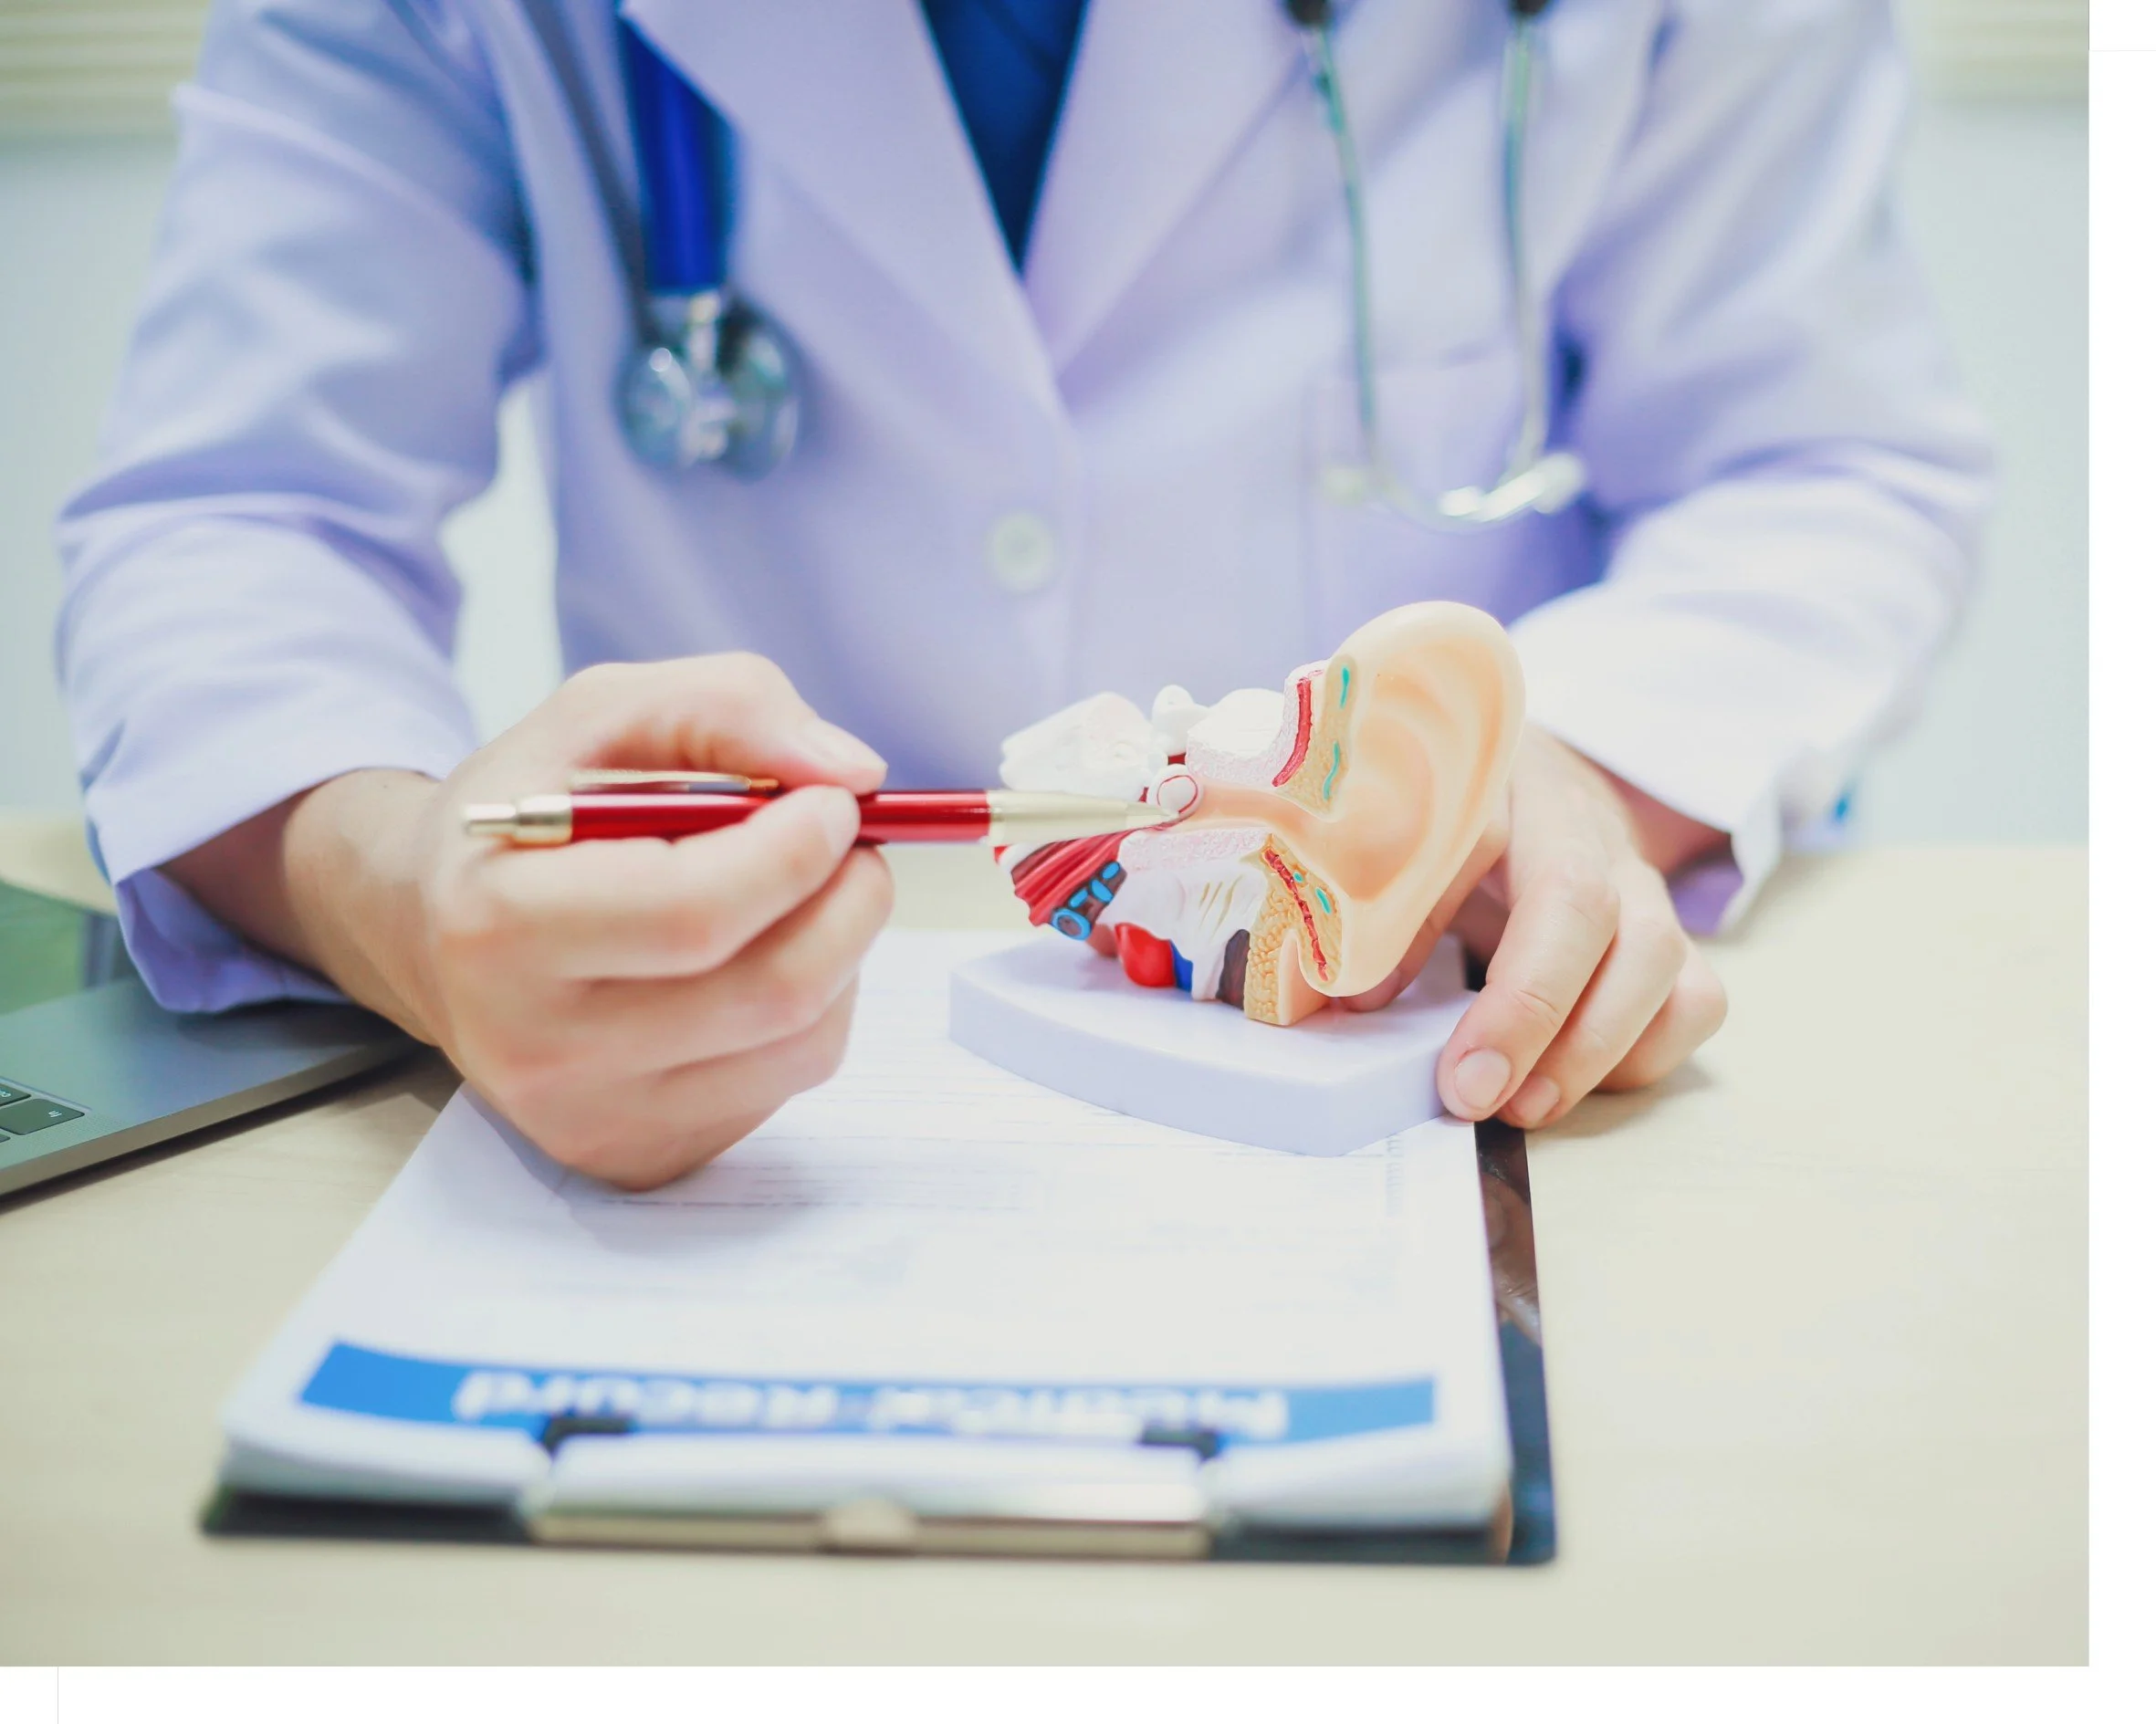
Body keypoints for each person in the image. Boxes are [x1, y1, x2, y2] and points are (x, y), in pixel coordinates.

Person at [55, 0, 1990, 1188]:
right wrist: (400, 894)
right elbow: (238, 512)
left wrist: (1555, 767)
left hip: (1434, 1093)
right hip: (715, 1126)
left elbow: (1816, 459)